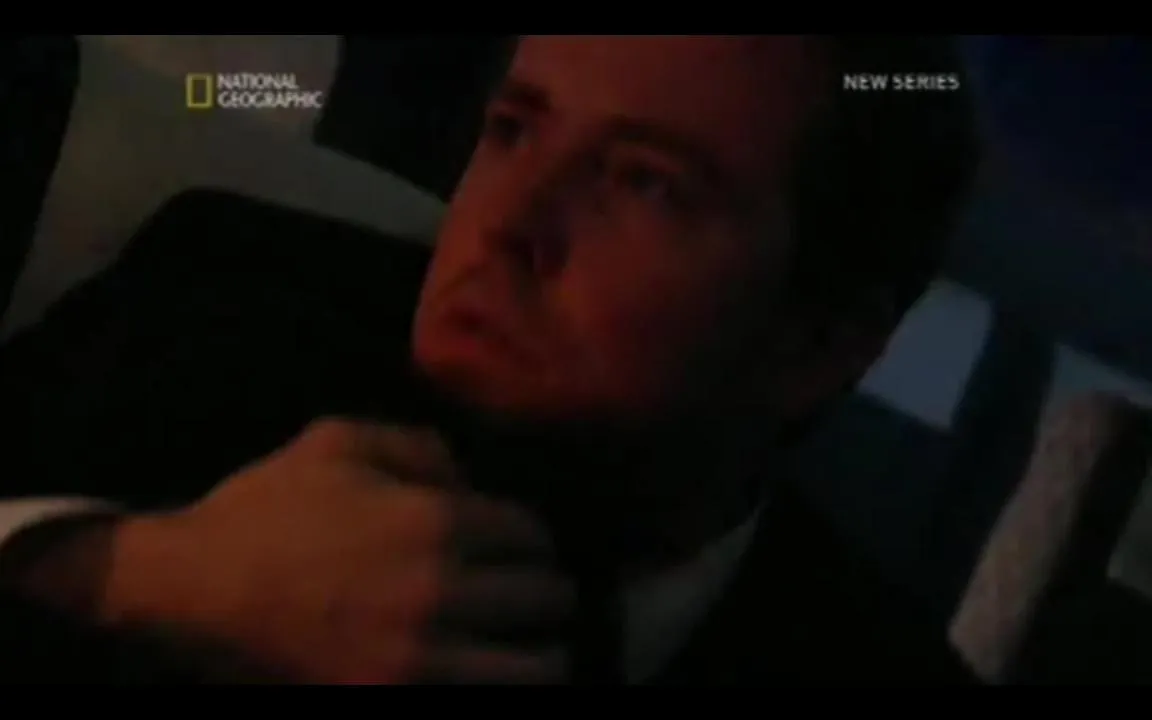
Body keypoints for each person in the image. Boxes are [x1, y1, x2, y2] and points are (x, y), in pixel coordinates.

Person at [0, 35, 978, 683]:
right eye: (512, 130)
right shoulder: (231, 292)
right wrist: (140, 576)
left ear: (819, 343)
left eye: (644, 183)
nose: (505, 223)